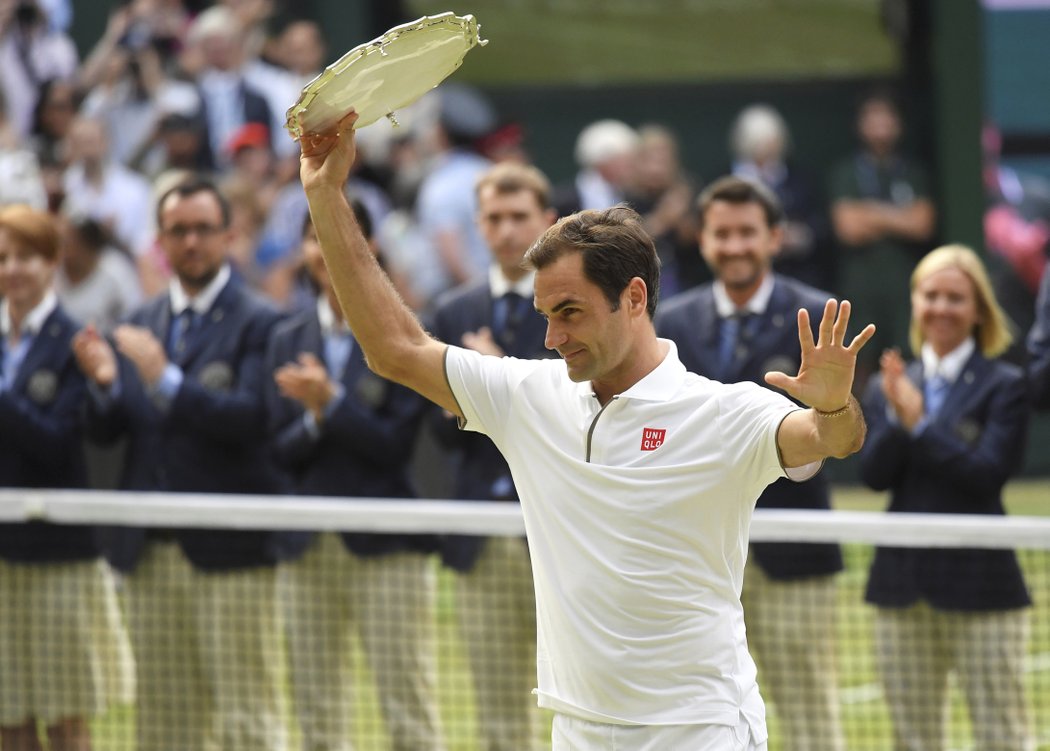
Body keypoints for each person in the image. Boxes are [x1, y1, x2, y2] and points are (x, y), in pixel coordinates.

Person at [297, 111, 874, 751]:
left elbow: (831, 441)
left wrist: (831, 408)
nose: (551, 338)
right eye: (545, 314)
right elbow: (393, 348)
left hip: (700, 731)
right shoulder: (529, 396)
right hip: (577, 730)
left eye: (569, 313)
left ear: (632, 298)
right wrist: (326, 193)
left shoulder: (723, 411)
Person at [72, 177, 290, 751]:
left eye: (202, 230)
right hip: (152, 553)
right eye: (178, 231)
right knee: (165, 725)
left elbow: (250, 418)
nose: (191, 242)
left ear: (229, 236)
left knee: (249, 720)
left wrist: (165, 378)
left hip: (230, 555)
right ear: (160, 242)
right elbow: (112, 432)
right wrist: (101, 385)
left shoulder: (262, 321)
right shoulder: (141, 320)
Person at [655, 175, 845, 751]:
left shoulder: (817, 314)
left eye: (747, 233)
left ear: (775, 237)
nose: (735, 245)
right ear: (702, 239)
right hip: (697, 555)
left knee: (811, 711)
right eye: (722, 233)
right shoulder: (670, 325)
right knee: (700, 713)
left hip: (794, 551)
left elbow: (847, 432)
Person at [265, 207, 444, 751]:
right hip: (308, 547)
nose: (324, 250)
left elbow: (393, 447)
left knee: (408, 706)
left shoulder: (404, 335)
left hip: (387, 546)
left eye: (338, 235)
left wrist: (331, 403)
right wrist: (318, 415)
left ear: (366, 245)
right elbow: (279, 450)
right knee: (317, 711)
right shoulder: (285, 338)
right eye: (313, 238)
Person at [859, 244, 1032, 751]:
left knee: (1001, 733)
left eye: (956, 297)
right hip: (900, 588)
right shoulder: (892, 385)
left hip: (984, 589)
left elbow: (986, 474)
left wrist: (921, 424)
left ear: (978, 309)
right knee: (912, 738)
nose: (941, 307)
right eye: (930, 295)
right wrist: (898, 418)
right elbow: (873, 475)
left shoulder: (1007, 385)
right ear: (915, 303)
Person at [427, 161, 556, 750]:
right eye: (494, 218)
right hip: (479, 532)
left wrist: (497, 376)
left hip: (559, 528)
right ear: (478, 225)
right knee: (497, 707)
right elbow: (438, 426)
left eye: (519, 218)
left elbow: (581, 411)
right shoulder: (453, 311)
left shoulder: (575, 301)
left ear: (548, 221)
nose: (507, 231)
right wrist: (471, 391)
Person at [0, 204, 132, 751]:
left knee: (66, 725)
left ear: (53, 262)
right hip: (1, 555)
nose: (12, 269)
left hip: (59, 558)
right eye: (3, 258)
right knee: (8, 724)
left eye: (26, 257)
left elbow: (59, 444)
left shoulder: (77, 341)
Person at [829, 90, 936, 389]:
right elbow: (848, 227)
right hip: (861, 286)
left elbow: (922, 224)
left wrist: (868, 212)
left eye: (886, 115)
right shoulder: (846, 172)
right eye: (872, 116)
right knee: (858, 364)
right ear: (859, 124)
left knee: (908, 364)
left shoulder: (913, 172)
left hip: (903, 285)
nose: (880, 123)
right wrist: (898, 216)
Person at [729, 104, 833, 291]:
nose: (766, 150)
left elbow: (822, 227)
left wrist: (801, 236)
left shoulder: (801, 181)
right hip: (739, 277)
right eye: (758, 143)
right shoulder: (725, 183)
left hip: (796, 277)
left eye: (772, 142)